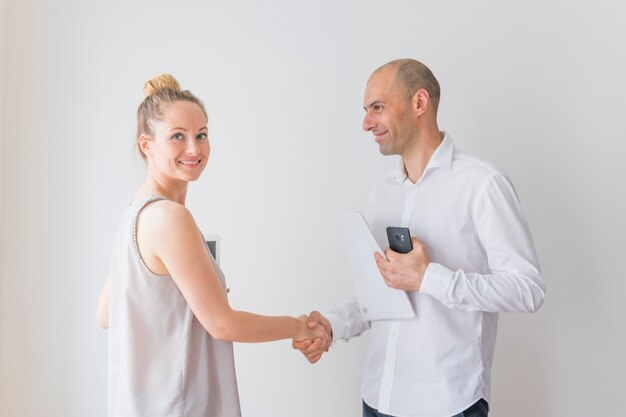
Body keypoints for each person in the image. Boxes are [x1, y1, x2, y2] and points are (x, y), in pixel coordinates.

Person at [293, 59, 545, 417]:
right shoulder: (382, 193)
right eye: (366, 111)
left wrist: (429, 278)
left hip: (448, 404)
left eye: (377, 107)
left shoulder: (482, 185)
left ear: (419, 103)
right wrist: (332, 325)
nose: (366, 123)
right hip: (378, 398)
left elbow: (528, 289)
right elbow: (379, 290)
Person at [96, 74, 328, 417]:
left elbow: (107, 314)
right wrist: (298, 326)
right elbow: (222, 325)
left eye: (201, 135)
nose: (195, 148)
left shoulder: (134, 214)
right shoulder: (170, 218)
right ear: (147, 145)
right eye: (178, 136)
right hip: (179, 406)